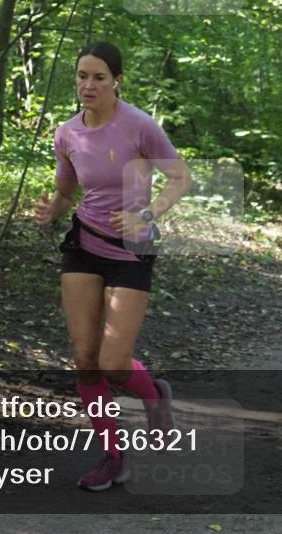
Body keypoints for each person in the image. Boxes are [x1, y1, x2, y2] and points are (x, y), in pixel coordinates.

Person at [35, 41, 193, 492]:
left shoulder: (139, 126)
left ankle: (155, 395)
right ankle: (113, 456)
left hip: (132, 251)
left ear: (116, 80)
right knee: (85, 360)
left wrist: (150, 213)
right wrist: (53, 211)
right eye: (82, 76)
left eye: (99, 77)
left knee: (114, 362)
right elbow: (66, 191)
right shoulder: (67, 134)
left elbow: (180, 177)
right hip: (84, 245)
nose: (88, 85)